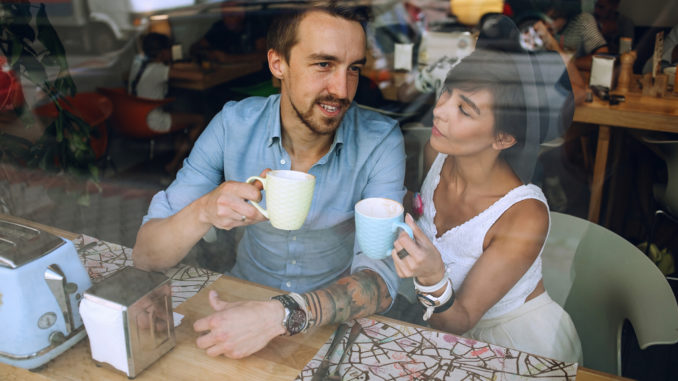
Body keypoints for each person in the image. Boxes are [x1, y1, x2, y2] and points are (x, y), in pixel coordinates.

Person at [132, 4, 406, 359]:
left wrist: (283, 314)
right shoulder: (233, 125)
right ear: (279, 64)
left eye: (353, 68)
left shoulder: (380, 140)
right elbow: (146, 255)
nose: (342, 90)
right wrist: (203, 210)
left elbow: (380, 282)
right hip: (238, 301)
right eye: (323, 64)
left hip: (328, 320)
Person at [390, 47, 583, 363]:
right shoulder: (436, 154)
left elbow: (460, 320)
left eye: (464, 110)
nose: (440, 111)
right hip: (435, 334)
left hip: (513, 345)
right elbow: (419, 212)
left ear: (503, 138)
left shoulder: (524, 215)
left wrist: (432, 276)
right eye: (447, 93)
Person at [128, 32, 204, 174]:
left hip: (132, 119)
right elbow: (198, 75)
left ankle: (180, 153)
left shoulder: (137, 63)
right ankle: (174, 163)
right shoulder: (158, 70)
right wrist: (192, 65)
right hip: (152, 120)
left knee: (179, 112)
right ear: (163, 52)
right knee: (199, 120)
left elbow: (171, 70)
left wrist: (174, 66)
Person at [535, 0, 609, 71]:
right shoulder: (535, 26)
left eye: (553, 17)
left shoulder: (583, 21)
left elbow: (602, 59)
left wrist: (567, 63)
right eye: (543, 18)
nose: (546, 24)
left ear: (566, 14)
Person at [188, 2, 267, 64]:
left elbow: (264, 55)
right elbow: (194, 48)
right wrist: (207, 54)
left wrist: (229, 58)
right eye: (224, 15)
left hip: (254, 78)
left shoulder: (254, 25)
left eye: (230, 15)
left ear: (241, 14)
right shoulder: (219, 27)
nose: (227, 20)